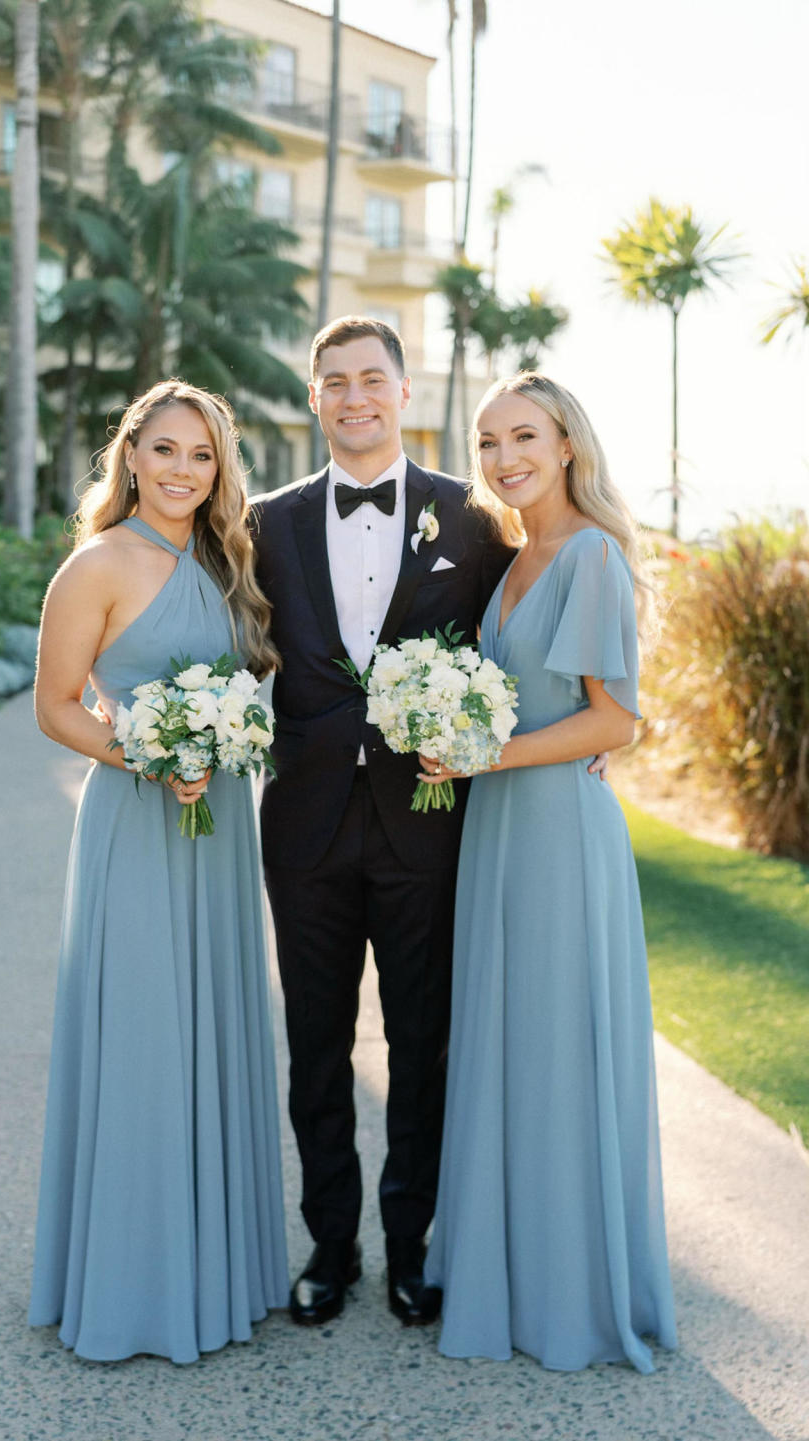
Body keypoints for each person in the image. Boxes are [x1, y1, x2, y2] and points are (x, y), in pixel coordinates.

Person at [251, 315, 515, 1329]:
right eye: (334, 382)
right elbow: (215, 628)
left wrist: (591, 722)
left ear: (404, 391)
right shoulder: (263, 521)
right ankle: (331, 1250)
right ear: (314, 398)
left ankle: (411, 1251)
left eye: (372, 378)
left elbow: (516, 641)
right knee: (315, 1047)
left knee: (423, 1045)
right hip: (306, 825)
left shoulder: (476, 518)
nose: (354, 396)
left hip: (427, 820)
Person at [28, 379, 289, 1363]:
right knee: (142, 1032)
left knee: (210, 1023)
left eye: (204, 455)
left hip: (219, 826)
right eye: (167, 449)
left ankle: (216, 1266)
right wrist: (148, 755)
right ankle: (132, 1283)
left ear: (220, 470)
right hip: (136, 822)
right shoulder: (96, 566)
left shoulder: (230, 563)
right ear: (131, 453)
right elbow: (56, 706)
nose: (185, 470)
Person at [421, 372, 678, 1372]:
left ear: (567, 441)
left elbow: (615, 720)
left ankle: (568, 1294)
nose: (502, 458)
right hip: (498, 826)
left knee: (556, 1049)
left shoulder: (593, 557)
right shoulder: (518, 556)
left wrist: (488, 754)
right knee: (504, 1040)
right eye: (486, 443)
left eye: (522, 436)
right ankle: (505, 1271)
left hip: (558, 834)